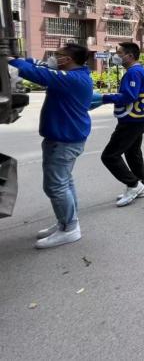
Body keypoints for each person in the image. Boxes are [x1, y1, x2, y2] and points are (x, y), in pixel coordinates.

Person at [9, 43, 94, 249]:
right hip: (66, 138)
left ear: (68, 60)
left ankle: (70, 228)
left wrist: (10, 60)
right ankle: (66, 222)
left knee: (55, 185)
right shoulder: (74, 75)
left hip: (63, 141)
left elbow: (38, 74)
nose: (54, 58)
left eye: (58, 55)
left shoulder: (71, 79)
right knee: (65, 182)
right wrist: (22, 59)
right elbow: (38, 66)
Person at [100, 42, 144, 207]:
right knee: (132, 152)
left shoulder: (134, 72)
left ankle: (134, 184)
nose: (117, 55)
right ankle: (141, 185)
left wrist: (105, 97)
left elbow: (129, 96)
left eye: (120, 53)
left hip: (131, 121)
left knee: (109, 155)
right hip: (138, 119)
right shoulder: (138, 71)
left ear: (129, 56)